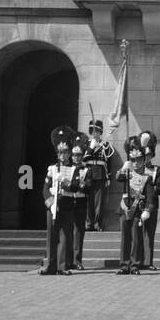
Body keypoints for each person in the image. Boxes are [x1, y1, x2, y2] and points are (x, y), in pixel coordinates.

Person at [40, 127, 78, 275]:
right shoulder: (52, 169)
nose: (63, 155)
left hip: (67, 205)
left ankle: (62, 266)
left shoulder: (74, 169)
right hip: (53, 206)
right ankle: (50, 265)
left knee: (65, 236)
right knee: (51, 236)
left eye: (65, 152)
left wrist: (65, 182)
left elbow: (75, 187)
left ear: (69, 153)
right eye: (60, 152)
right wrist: (50, 203)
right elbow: (45, 188)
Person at [117, 136, 154, 275]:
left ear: (143, 160)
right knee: (125, 238)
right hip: (125, 208)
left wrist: (147, 210)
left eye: (139, 160)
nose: (136, 163)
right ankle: (124, 264)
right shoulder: (127, 173)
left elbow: (150, 196)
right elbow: (118, 178)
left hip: (138, 209)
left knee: (136, 239)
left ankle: (134, 264)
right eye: (133, 160)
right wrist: (122, 168)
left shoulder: (147, 177)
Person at [141, 132, 160, 269]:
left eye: (149, 155)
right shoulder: (136, 169)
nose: (147, 158)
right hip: (138, 203)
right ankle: (137, 260)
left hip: (151, 204)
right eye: (144, 156)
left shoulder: (157, 170)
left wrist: (152, 189)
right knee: (137, 234)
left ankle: (147, 261)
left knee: (149, 234)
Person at [83, 118, 111, 232]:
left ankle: (97, 224)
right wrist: (91, 148)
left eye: (97, 131)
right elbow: (83, 160)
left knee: (99, 202)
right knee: (88, 201)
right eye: (93, 131)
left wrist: (108, 176)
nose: (95, 133)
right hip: (89, 174)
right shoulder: (86, 144)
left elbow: (109, 162)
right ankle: (89, 223)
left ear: (100, 132)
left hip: (101, 174)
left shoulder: (106, 145)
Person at [69, 136, 91, 270]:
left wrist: (78, 186)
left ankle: (77, 260)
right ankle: (66, 259)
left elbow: (89, 186)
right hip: (68, 201)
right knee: (67, 231)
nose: (76, 157)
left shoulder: (86, 169)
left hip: (81, 202)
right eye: (74, 155)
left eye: (78, 155)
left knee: (78, 232)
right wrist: (78, 185)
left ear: (82, 156)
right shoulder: (67, 168)